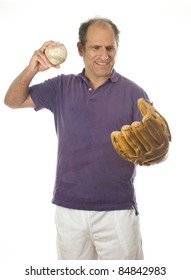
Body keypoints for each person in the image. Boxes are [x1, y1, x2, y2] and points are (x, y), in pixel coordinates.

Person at [4, 17, 149, 260]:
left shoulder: (135, 93)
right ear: (80, 49)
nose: (104, 55)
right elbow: (13, 100)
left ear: (116, 49)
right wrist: (32, 69)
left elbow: (153, 147)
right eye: (95, 47)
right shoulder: (60, 87)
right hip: (68, 208)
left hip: (117, 211)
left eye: (110, 48)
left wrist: (158, 152)